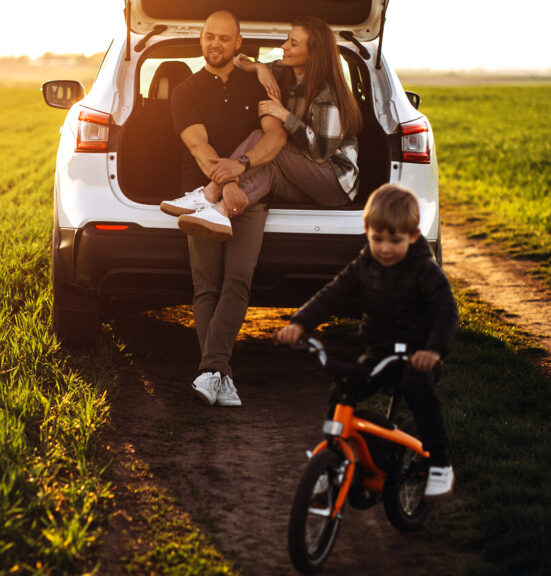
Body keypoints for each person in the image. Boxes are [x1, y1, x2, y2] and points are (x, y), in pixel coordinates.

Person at [273, 184, 459, 498]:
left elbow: (446, 311)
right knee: (344, 389)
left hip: (416, 353)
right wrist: (301, 323)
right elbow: (333, 293)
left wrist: (434, 350)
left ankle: (440, 462)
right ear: (367, 232)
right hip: (380, 349)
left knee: (418, 391)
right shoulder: (365, 265)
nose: (385, 248)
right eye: (378, 239)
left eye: (395, 241)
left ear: (413, 236)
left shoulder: (424, 270)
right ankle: (331, 459)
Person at [165, 10, 288, 407]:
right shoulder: (186, 90)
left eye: (223, 38)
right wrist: (228, 183)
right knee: (207, 287)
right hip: (202, 198)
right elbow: (200, 148)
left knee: (238, 281)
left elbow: (275, 138)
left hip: (249, 199)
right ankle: (218, 372)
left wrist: (243, 170)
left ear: (238, 44)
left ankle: (210, 372)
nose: (214, 43)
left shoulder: (255, 84)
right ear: (201, 41)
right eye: (208, 37)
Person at [162, 16, 362, 240]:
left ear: (313, 54)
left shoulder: (327, 95)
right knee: (268, 168)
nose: (283, 47)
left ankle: (210, 192)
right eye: (287, 40)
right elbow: (236, 61)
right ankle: (220, 212)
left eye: (293, 44)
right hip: (301, 176)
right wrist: (259, 68)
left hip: (333, 183)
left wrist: (284, 116)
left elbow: (321, 152)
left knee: (264, 138)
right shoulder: (282, 71)